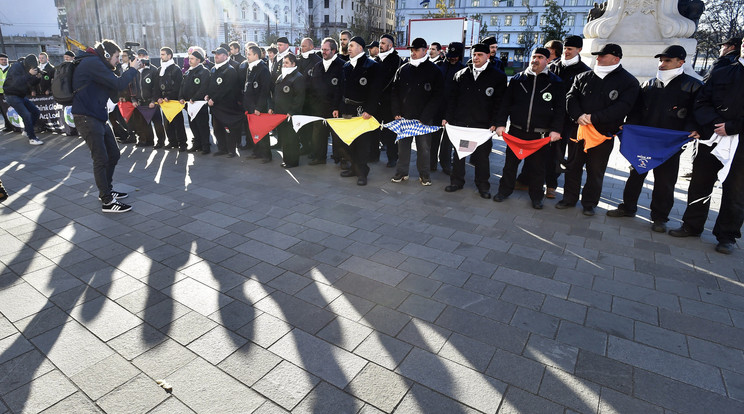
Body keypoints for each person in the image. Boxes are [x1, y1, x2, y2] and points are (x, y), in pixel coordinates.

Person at [607, 45, 701, 232]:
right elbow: (636, 110)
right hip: (645, 141)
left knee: (665, 181)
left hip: (670, 144)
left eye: (667, 61)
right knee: (636, 172)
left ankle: (660, 218)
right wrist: (629, 126)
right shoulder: (648, 84)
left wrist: (692, 129)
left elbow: (696, 112)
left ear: (680, 62)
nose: (662, 64)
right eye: (661, 60)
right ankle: (628, 207)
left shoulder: (693, 86)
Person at [668, 40, 744, 255]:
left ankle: (727, 235)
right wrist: (713, 124)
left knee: (736, 191)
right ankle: (692, 225)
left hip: (740, 141)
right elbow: (701, 102)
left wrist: (732, 127)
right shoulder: (722, 72)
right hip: (712, 137)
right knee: (700, 183)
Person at [559, 43, 639, 215]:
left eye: (602, 55)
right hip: (578, 131)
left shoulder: (629, 81)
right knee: (572, 166)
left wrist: (594, 118)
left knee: (595, 170)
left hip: (603, 134)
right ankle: (569, 198)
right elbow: (570, 97)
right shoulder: (583, 76)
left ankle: (589, 203)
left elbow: (623, 106)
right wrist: (578, 115)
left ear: (616, 58)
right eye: (598, 55)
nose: (598, 58)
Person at [72, 40, 142, 213]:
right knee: (101, 158)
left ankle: (107, 191)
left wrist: (119, 69)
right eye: (117, 57)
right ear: (106, 55)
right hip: (87, 117)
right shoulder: (92, 63)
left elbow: (113, 91)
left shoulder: (96, 63)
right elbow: (118, 84)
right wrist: (132, 69)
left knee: (114, 154)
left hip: (97, 116)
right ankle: (107, 201)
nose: (118, 60)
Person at [493, 48, 564, 209]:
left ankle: (536, 197)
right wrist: (501, 123)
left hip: (540, 135)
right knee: (510, 165)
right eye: (533, 57)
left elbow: (560, 109)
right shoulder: (518, 79)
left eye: (540, 57)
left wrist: (556, 129)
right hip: (516, 132)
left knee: (538, 169)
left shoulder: (556, 82)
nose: (535, 60)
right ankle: (504, 191)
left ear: (547, 60)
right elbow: (505, 103)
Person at [443, 43, 507, 199]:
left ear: (488, 56)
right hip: (463, 125)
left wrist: (497, 122)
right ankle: (457, 181)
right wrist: (447, 118)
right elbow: (452, 100)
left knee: (481, 158)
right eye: (474, 54)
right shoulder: (461, 74)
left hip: (482, 127)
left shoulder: (497, 76)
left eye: (480, 54)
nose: (476, 57)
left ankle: (483, 186)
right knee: (460, 155)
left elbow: (500, 103)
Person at [390, 37, 444, 186]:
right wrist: (396, 112)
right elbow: (394, 92)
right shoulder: (403, 69)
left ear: (424, 50)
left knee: (424, 149)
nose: (413, 53)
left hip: (423, 119)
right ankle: (401, 173)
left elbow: (437, 96)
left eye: (416, 50)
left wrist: (426, 116)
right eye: (411, 50)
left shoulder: (434, 71)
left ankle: (424, 175)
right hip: (405, 118)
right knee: (403, 149)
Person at [338, 36, 382, 186]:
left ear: (360, 48)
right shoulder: (346, 66)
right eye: (348, 46)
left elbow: (375, 91)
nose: (348, 48)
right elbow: (342, 90)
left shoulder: (372, 66)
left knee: (362, 143)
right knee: (349, 141)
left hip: (363, 110)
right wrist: (339, 108)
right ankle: (354, 168)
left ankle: (362, 172)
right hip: (347, 109)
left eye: (352, 45)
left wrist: (370, 110)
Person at [308, 38, 344, 165]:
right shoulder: (317, 66)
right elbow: (312, 87)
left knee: (337, 136)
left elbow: (341, 89)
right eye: (322, 49)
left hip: (335, 108)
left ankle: (339, 158)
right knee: (318, 135)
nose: (323, 52)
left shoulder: (342, 65)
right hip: (319, 108)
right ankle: (319, 157)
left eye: (326, 50)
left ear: (334, 50)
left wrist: (337, 107)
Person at [434, 42, 466, 175]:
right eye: (450, 56)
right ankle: (431, 163)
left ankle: (446, 164)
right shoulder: (439, 66)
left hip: (452, 110)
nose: (452, 59)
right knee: (434, 137)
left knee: (448, 141)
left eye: (455, 56)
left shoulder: (463, 70)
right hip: (437, 108)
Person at [269, 54, 306, 168]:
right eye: (283, 63)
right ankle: (286, 159)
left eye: (286, 63)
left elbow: (299, 97)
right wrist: (273, 108)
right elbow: (275, 94)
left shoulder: (298, 77)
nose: (283, 65)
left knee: (292, 138)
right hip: (280, 114)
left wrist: (292, 111)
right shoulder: (281, 76)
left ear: (293, 64)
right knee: (284, 138)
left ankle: (293, 161)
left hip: (290, 115)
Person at [206, 47, 243, 158]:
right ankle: (222, 148)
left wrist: (214, 99)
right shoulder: (213, 69)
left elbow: (227, 89)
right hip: (215, 107)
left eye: (218, 54)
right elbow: (212, 86)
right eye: (215, 54)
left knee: (228, 129)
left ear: (226, 56)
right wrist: (208, 95)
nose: (216, 56)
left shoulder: (230, 70)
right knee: (217, 128)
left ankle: (231, 150)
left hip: (227, 106)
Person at [374, 33, 404, 168]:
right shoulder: (376, 60)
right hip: (376, 102)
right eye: (380, 43)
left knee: (391, 133)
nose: (380, 46)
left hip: (390, 103)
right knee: (373, 130)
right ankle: (373, 155)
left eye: (383, 43)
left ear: (390, 45)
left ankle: (393, 158)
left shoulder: (397, 60)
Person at [3, 54, 43, 145]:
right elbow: (16, 81)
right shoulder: (16, 67)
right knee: (26, 114)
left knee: (36, 112)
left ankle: (27, 130)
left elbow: (30, 83)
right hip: (11, 95)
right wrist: (29, 74)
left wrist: (37, 78)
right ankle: (32, 138)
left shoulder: (27, 68)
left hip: (21, 95)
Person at [243, 44, 272, 162]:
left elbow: (265, 91)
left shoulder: (263, 69)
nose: (247, 56)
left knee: (262, 132)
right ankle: (257, 151)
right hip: (250, 106)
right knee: (254, 131)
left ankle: (266, 154)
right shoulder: (250, 67)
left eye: (249, 54)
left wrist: (259, 107)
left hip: (258, 107)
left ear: (256, 55)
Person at [179, 48, 211, 154]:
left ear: (198, 60)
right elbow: (182, 86)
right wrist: (181, 97)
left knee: (202, 125)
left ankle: (205, 146)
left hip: (199, 104)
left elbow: (204, 87)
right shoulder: (188, 72)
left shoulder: (204, 71)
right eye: (189, 58)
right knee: (193, 125)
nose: (190, 61)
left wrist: (194, 98)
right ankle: (197, 143)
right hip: (189, 104)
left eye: (192, 59)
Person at [157, 47, 187, 151]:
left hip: (173, 100)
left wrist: (169, 97)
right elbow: (157, 86)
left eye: (163, 54)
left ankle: (182, 143)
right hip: (164, 102)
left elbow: (178, 86)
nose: (161, 56)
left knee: (177, 122)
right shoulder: (160, 69)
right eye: (161, 54)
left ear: (169, 56)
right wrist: (159, 97)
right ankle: (172, 141)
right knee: (167, 123)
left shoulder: (176, 69)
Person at [136, 48, 166, 147]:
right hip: (141, 101)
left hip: (152, 102)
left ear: (147, 57)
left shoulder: (153, 70)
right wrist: (134, 99)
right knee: (144, 123)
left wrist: (153, 100)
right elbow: (133, 85)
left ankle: (161, 141)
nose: (141, 58)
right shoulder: (135, 70)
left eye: (143, 56)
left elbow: (156, 87)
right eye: (139, 56)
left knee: (157, 123)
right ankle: (149, 141)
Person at [297, 37, 321, 155]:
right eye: (301, 46)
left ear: (311, 47)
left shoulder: (317, 61)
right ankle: (305, 145)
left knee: (312, 126)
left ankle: (313, 149)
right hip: (300, 98)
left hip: (312, 99)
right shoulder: (298, 59)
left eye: (304, 46)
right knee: (302, 125)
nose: (302, 48)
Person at [0, 52, 13, 132]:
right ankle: (8, 126)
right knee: (3, 110)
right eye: (2, 60)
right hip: (0, 93)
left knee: (11, 109)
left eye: (5, 60)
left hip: (10, 92)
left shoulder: (11, 68)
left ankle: (15, 125)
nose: (4, 61)